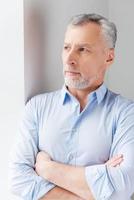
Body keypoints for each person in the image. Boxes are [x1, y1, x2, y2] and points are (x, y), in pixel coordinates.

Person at [9, 13, 134, 200]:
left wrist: (47, 169)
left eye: (83, 49)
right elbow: (18, 179)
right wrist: (96, 185)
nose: (69, 59)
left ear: (108, 58)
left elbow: (122, 187)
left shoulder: (126, 113)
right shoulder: (36, 107)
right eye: (66, 47)